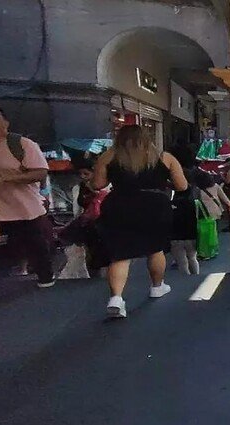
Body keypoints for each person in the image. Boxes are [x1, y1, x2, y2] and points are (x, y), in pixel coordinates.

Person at [93, 125, 188, 318]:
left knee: (120, 254)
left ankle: (117, 299)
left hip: (119, 206)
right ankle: (157, 286)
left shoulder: (109, 157)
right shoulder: (164, 157)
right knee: (155, 248)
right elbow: (182, 185)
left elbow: (97, 184)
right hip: (154, 207)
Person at [0, 103, 56, 289]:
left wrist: (7, 178)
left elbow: (40, 172)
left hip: (24, 208)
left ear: (6, 123)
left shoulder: (21, 144)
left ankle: (45, 276)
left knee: (36, 244)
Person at [169, 147, 202, 276]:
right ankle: (196, 278)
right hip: (192, 234)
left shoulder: (173, 202)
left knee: (182, 262)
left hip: (176, 236)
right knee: (192, 258)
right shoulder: (195, 196)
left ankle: (186, 280)